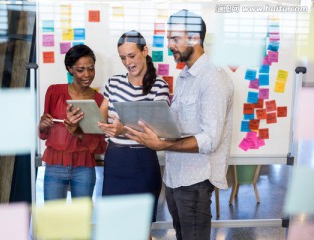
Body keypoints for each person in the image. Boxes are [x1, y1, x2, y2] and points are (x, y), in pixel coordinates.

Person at [124, 10, 234, 240]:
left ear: (194, 38)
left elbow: (209, 140)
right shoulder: (186, 76)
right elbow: (176, 124)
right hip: (176, 177)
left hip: (195, 181)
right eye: (168, 39)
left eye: (175, 39)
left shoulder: (213, 76)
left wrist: (161, 145)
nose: (169, 45)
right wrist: (143, 125)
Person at [98, 30, 170, 223]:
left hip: (142, 162)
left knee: (140, 227)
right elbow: (100, 118)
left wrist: (123, 130)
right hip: (114, 160)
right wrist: (82, 118)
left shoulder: (159, 86)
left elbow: (156, 132)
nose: (128, 62)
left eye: (132, 56)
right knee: (114, 225)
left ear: (145, 51)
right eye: (123, 58)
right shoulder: (113, 83)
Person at [38, 44, 107, 201]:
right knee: (53, 219)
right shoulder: (54, 92)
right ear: (70, 69)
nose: (87, 74)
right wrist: (42, 126)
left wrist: (79, 133)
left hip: (83, 167)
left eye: (91, 68)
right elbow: (43, 134)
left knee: (81, 220)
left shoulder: (99, 100)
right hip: (55, 165)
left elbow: (101, 145)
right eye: (81, 70)